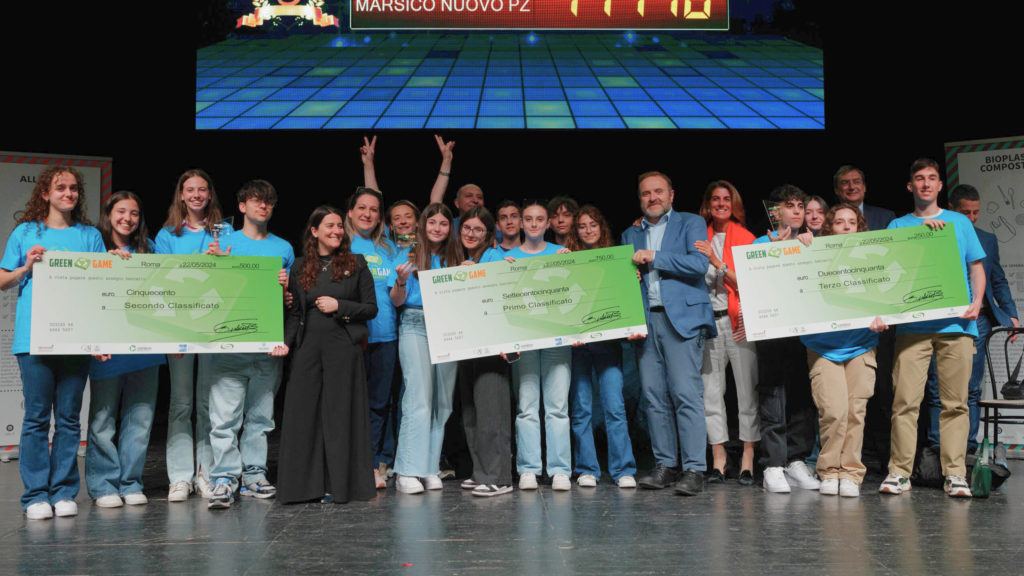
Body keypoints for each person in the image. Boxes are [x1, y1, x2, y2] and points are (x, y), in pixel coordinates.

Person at [0, 165, 105, 519]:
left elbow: (100, 286)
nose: (69, 194)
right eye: (61, 188)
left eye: (74, 188)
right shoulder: (25, 232)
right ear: (45, 193)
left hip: (75, 340)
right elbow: (2, 279)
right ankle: (35, 496)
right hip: (34, 340)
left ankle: (63, 492)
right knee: (36, 418)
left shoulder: (90, 235)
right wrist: (26, 268)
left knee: (70, 419)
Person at [880, 159, 985, 498]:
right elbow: (889, 271)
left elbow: (976, 267)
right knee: (905, 402)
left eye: (932, 178)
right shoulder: (899, 225)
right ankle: (899, 472)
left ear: (940, 185)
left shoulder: (959, 222)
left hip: (957, 324)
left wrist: (977, 302)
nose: (926, 183)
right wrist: (919, 239)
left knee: (956, 403)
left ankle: (955, 473)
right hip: (913, 327)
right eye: (919, 178)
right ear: (910, 186)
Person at [274, 205, 378, 504]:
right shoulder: (299, 266)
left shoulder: (356, 264)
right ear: (314, 231)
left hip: (342, 346)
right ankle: (304, 488)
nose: (336, 231)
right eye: (329, 226)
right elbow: (296, 312)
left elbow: (371, 308)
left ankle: (341, 485)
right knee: (303, 414)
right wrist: (286, 343)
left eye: (339, 226)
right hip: (307, 347)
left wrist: (339, 306)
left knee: (340, 415)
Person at [621, 171, 714, 496]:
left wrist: (655, 257)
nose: (653, 198)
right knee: (654, 398)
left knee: (686, 395)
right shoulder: (630, 233)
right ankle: (665, 465)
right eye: (646, 193)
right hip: (646, 323)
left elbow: (699, 264)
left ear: (671, 195)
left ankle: (694, 468)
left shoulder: (691, 223)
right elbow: (624, 279)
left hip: (682, 320)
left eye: (658, 191)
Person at [205, 180, 295, 509]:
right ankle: (224, 479)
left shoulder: (283, 248)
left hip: (267, 346)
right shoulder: (222, 243)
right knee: (224, 419)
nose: (263, 206)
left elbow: (287, 302)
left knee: (260, 419)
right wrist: (215, 265)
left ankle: (254, 475)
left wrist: (286, 290)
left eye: (268, 201)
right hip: (229, 343)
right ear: (242, 206)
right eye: (256, 201)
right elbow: (206, 291)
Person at [923, 184, 1020, 454]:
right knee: (937, 386)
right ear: (951, 209)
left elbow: (997, 279)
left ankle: (968, 448)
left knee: (972, 388)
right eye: (966, 212)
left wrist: (1011, 314)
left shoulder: (986, 238)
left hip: (977, 319)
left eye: (976, 212)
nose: (972, 217)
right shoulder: (933, 234)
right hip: (940, 318)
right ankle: (937, 448)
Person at [799, 204, 887, 497]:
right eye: (839, 222)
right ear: (829, 227)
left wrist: (884, 315)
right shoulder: (814, 253)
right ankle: (829, 470)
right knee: (833, 412)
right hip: (823, 347)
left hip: (861, 344)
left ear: (859, 227)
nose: (846, 226)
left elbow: (887, 293)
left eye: (852, 222)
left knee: (855, 413)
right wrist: (800, 245)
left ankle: (850, 473)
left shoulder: (873, 258)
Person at [86, 191, 165, 508]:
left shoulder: (150, 250)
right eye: (121, 211)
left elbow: (165, 293)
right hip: (107, 348)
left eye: (134, 213)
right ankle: (104, 486)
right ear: (109, 214)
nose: (127, 219)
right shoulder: (96, 250)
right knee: (103, 421)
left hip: (146, 348)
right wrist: (106, 263)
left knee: (140, 420)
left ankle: (131, 482)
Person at [155, 168, 227, 502]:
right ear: (181, 196)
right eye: (190, 190)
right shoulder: (167, 235)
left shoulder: (225, 231)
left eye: (202, 189)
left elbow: (236, 278)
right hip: (180, 326)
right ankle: (180, 478)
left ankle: (206, 474)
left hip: (215, 325)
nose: (196, 195)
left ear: (209, 195)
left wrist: (223, 260)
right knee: (181, 403)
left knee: (209, 403)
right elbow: (162, 281)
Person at [388, 203, 460, 494]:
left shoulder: (456, 258)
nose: (437, 228)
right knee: (418, 399)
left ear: (449, 228)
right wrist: (401, 281)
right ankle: (407, 470)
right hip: (415, 324)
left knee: (443, 403)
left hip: (449, 328)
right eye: (432, 223)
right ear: (422, 225)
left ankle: (429, 467)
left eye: (443, 223)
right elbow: (396, 300)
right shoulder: (407, 254)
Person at [752, 184, 821, 493]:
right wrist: (772, 252)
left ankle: (796, 460)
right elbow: (752, 285)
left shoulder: (810, 242)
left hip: (803, 331)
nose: (796, 211)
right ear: (776, 211)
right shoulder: (761, 243)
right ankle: (773, 464)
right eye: (789, 205)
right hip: (771, 331)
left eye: (800, 206)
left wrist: (809, 247)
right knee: (772, 394)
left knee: (801, 396)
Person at [566, 205, 638, 489]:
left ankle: (623, 470)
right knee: (581, 408)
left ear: (601, 227)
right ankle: (586, 469)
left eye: (593, 225)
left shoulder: (617, 258)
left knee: (614, 407)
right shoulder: (568, 260)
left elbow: (626, 299)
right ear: (576, 230)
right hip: (579, 345)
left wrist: (632, 278)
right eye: (582, 226)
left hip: (608, 344)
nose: (588, 230)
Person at [504, 199, 574, 491]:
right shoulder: (507, 259)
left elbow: (575, 297)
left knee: (557, 407)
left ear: (548, 224)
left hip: (557, 338)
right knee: (527, 407)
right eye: (529, 219)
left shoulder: (560, 254)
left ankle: (560, 470)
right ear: (521, 224)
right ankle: (529, 469)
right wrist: (502, 273)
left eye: (539, 219)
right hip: (525, 340)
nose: (534, 224)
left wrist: (572, 265)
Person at [693, 180, 759, 486]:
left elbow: (748, 283)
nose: (721, 203)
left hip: (739, 322)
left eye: (726, 199)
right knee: (710, 394)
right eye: (716, 199)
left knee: (747, 392)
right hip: (708, 324)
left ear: (734, 204)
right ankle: (718, 459)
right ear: (708, 204)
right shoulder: (697, 237)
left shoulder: (747, 238)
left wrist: (716, 261)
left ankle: (748, 458)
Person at [454, 207, 514, 496]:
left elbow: (501, 294)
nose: (471, 233)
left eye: (478, 229)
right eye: (467, 228)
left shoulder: (494, 258)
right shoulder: (466, 259)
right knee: (471, 411)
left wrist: (474, 275)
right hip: (469, 343)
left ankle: (499, 477)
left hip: (492, 345)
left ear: (488, 234)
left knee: (492, 412)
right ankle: (481, 472)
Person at [345, 186, 399, 490]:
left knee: (379, 404)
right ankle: (348, 463)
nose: (367, 214)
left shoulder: (388, 248)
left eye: (374, 209)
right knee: (350, 403)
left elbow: (396, 290)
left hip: (385, 335)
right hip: (349, 336)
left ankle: (373, 463)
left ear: (380, 217)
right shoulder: (341, 243)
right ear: (350, 212)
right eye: (362, 208)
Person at [833, 165, 895, 231]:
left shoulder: (886, 217)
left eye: (857, 182)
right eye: (845, 183)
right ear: (836, 190)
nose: (852, 187)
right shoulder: (828, 218)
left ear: (864, 187)